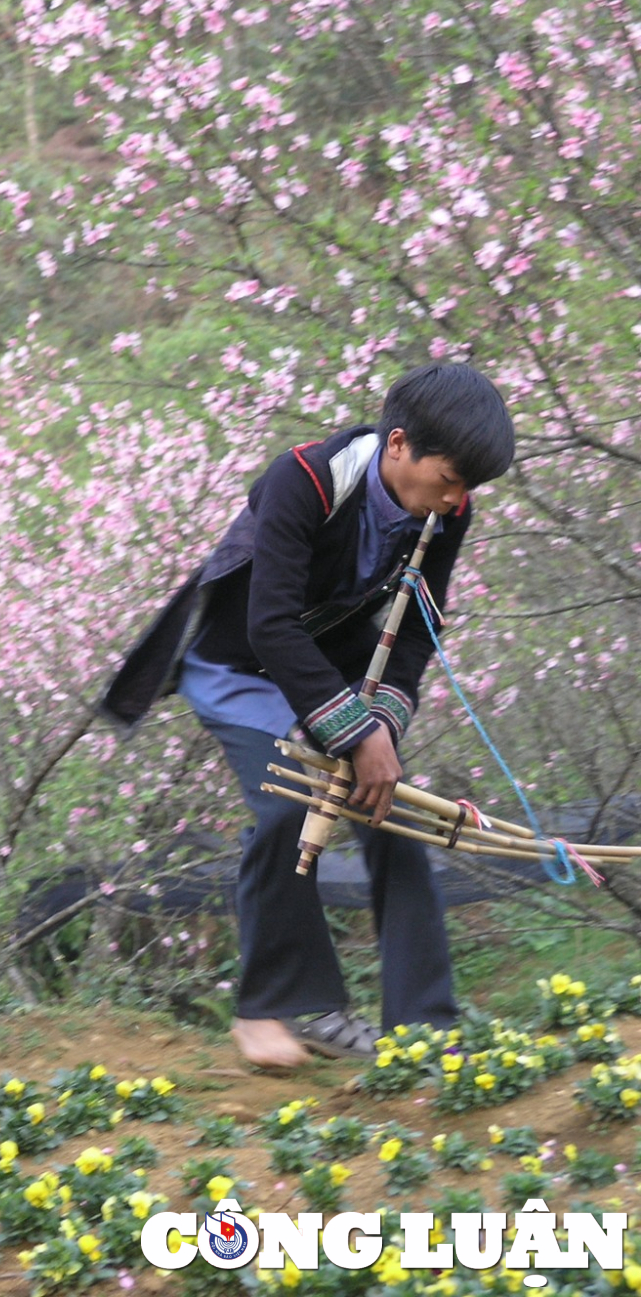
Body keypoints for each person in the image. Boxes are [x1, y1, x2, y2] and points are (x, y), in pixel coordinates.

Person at [100, 363, 515, 1070]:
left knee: (395, 811)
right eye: (447, 479)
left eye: (466, 489)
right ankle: (279, 1006)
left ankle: (422, 1023)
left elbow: (416, 630)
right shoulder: (304, 479)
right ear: (398, 446)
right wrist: (353, 732)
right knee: (288, 803)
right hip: (240, 663)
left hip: (335, 675)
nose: (454, 500)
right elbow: (271, 625)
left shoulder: (448, 512)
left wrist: (379, 725)